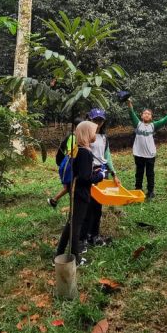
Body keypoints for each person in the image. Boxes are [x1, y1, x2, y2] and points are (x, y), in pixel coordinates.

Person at [55, 120, 103, 266]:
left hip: (75, 191)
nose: (95, 133)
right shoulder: (85, 153)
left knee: (71, 224)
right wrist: (99, 176)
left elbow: (80, 173)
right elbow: (84, 178)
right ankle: (75, 258)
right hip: (81, 193)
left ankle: (58, 254)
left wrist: (91, 171)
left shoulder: (78, 150)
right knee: (75, 226)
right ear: (86, 133)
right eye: (93, 131)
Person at [128, 98, 167, 200]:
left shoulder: (153, 126)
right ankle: (138, 189)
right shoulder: (137, 124)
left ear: (151, 117)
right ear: (141, 116)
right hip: (138, 154)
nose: (147, 115)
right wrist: (129, 102)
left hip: (150, 154)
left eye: (149, 114)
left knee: (150, 173)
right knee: (139, 173)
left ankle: (151, 191)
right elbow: (131, 112)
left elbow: (164, 120)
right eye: (145, 113)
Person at [83, 107, 116, 247]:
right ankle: (84, 236)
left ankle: (94, 235)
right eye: (95, 120)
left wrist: (114, 174)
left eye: (100, 120)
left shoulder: (103, 138)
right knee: (88, 206)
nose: (98, 123)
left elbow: (107, 156)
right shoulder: (85, 137)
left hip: (102, 173)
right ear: (89, 119)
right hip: (89, 174)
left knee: (98, 207)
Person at [48, 117, 83, 208]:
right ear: (75, 127)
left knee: (69, 186)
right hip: (67, 164)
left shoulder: (78, 136)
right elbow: (70, 152)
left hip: (70, 163)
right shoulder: (72, 137)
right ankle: (72, 208)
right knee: (70, 186)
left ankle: (53, 200)